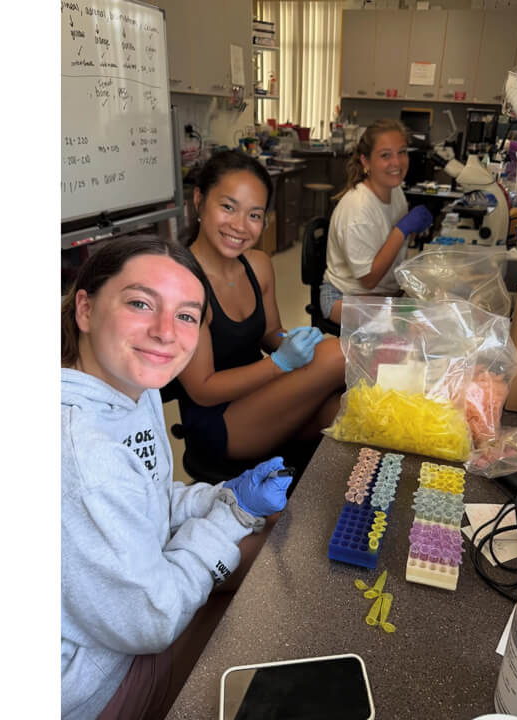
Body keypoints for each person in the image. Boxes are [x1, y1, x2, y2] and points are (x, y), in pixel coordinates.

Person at [61, 236, 294, 720]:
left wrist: (223, 497)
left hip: (125, 608)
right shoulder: (84, 457)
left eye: (186, 315)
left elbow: (148, 495)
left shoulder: (133, 386)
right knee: (268, 592)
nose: (165, 332)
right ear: (85, 308)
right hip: (91, 686)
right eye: (141, 304)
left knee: (267, 535)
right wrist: (235, 516)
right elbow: (153, 619)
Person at [170, 150, 346, 465]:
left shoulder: (258, 265)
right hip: (218, 423)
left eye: (254, 215)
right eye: (228, 207)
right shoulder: (182, 283)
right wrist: (279, 364)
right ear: (198, 200)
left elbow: (269, 332)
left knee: (348, 411)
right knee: (338, 354)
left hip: (261, 394)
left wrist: (293, 343)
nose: (240, 226)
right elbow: (203, 390)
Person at [320, 118, 435, 325]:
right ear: (366, 161)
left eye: (402, 152)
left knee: (437, 310)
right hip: (345, 297)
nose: (397, 162)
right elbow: (369, 280)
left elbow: (393, 251)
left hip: (383, 293)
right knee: (414, 328)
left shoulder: (395, 191)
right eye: (385, 155)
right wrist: (401, 230)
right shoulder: (357, 209)